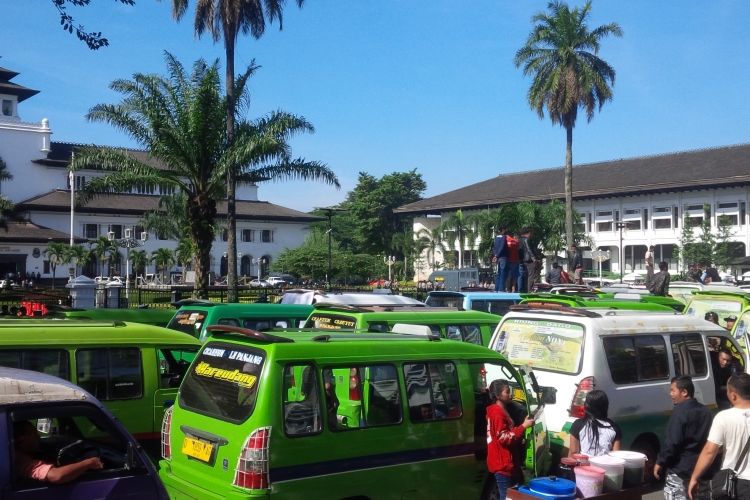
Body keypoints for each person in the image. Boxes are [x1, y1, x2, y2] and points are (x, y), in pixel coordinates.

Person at [688, 373, 750, 500]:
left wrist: (694, 478)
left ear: (733, 395)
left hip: (737, 485)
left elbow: (710, 451)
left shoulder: (724, 417)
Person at [654, 376, 713, 500]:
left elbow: (672, 442)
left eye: (673, 390)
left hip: (680, 470)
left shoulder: (680, 412)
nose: (671, 394)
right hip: (701, 469)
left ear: (684, 392)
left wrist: (660, 462)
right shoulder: (706, 412)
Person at [486, 380, 535, 499]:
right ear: (498, 395)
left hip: (506, 462)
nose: (511, 394)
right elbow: (504, 438)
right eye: (507, 392)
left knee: (511, 495)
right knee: (507, 496)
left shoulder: (499, 410)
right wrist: (523, 426)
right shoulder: (497, 413)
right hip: (502, 464)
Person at [13, 420, 103, 484]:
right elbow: (56, 476)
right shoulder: (19, 459)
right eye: (34, 433)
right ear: (22, 439)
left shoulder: (19, 453)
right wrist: (89, 462)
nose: (38, 436)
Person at [568, 390, 621, 457]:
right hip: (605, 466)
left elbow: (573, 452)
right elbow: (616, 455)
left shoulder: (578, 424)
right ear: (606, 406)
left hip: (584, 466)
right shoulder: (614, 427)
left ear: (587, 406)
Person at [519, 227, 543, 292]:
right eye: (531, 233)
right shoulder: (526, 240)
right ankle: (529, 290)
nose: (532, 235)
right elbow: (529, 249)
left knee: (524, 276)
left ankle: (524, 289)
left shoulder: (519, 240)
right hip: (529, 260)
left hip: (522, 260)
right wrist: (534, 258)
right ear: (528, 233)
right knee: (531, 276)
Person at [492, 225, 509, 292]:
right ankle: (501, 288)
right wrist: (497, 255)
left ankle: (497, 288)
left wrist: (495, 255)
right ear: (503, 230)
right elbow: (502, 247)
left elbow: (494, 248)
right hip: (503, 257)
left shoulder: (496, 237)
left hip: (498, 257)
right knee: (503, 273)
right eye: (505, 229)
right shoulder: (504, 237)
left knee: (498, 273)